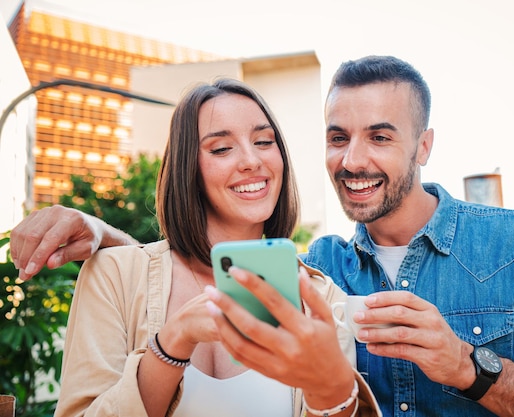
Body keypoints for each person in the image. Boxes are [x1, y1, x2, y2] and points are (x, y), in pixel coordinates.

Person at [11, 56, 514, 416]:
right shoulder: (322, 269)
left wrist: (471, 367)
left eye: (381, 137)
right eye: (337, 137)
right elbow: (189, 272)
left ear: (425, 146)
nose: (353, 159)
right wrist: (101, 233)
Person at [16, 79, 381, 417]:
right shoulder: (113, 275)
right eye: (221, 148)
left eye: (264, 141)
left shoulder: (320, 296)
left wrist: (332, 389)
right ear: (187, 168)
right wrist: (173, 342)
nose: (251, 160)